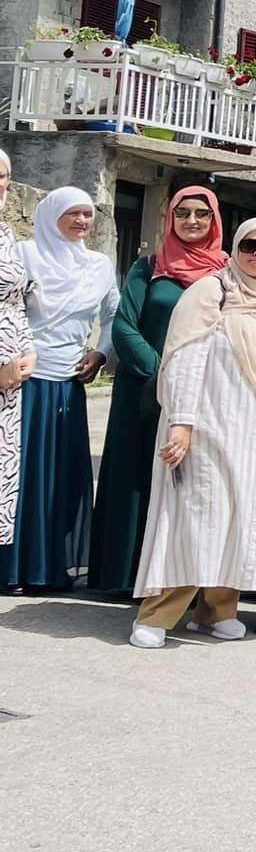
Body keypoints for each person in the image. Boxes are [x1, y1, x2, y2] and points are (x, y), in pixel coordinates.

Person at [127, 219, 256, 648]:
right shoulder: (210, 292)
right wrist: (182, 422)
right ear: (236, 247)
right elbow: (184, 359)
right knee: (196, 520)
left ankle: (216, 611)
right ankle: (158, 614)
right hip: (207, 427)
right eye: (251, 245)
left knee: (242, 521)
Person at [91, 186, 227, 596]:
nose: (191, 221)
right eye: (182, 213)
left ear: (214, 220)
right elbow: (124, 325)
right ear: (170, 218)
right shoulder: (148, 267)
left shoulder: (225, 272)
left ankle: (177, 582)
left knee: (187, 483)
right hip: (142, 390)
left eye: (201, 214)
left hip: (202, 394)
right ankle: (122, 576)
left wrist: (187, 378)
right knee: (134, 477)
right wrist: (163, 371)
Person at [3, 188, 116, 592]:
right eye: (73, 213)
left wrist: (101, 353)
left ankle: (47, 568)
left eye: (88, 214)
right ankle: (11, 568)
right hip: (22, 382)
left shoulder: (98, 265)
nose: (82, 221)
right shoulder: (23, 254)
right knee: (19, 477)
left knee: (57, 481)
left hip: (68, 386)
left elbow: (114, 314)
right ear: (52, 215)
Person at [0, 151, 30, 554]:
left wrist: (29, 350)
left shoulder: (6, 235)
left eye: (4, 175)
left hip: (10, 384)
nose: (0, 183)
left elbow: (17, 302)